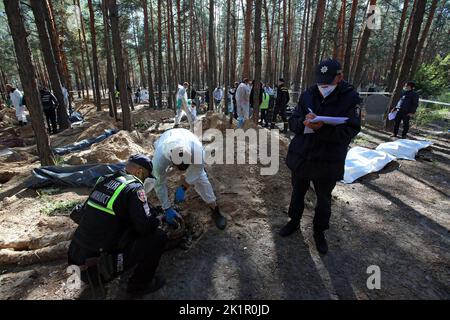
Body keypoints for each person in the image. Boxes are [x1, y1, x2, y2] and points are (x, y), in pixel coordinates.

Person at [280, 59, 361, 255]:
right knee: (297, 191)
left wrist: (322, 129)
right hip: (303, 155)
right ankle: (294, 221)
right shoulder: (308, 93)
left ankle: (319, 231)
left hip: (328, 159)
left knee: (323, 198)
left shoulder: (350, 98)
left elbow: (350, 131)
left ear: (339, 77)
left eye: (328, 82)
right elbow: (293, 120)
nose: (323, 86)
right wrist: (303, 123)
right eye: (320, 82)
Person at [68, 154, 167, 296]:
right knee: (158, 237)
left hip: (76, 259)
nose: (144, 181)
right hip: (97, 269)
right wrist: (158, 218)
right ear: (139, 172)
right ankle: (139, 286)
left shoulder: (105, 179)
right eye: (145, 176)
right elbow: (144, 227)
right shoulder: (135, 186)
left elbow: (83, 213)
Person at [151, 128, 227, 230]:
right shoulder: (159, 159)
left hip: (186, 135)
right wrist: (166, 207)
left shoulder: (197, 150)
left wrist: (183, 187)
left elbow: (198, 169)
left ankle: (215, 210)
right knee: (156, 178)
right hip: (165, 138)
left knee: (202, 179)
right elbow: (159, 183)